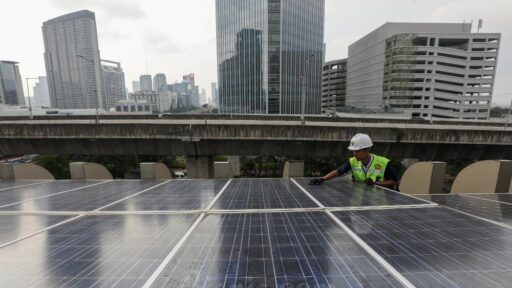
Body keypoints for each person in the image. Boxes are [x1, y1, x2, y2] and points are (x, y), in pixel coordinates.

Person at [309, 133, 398, 189]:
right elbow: (338, 172)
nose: (354, 154)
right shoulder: (353, 162)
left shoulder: (383, 163)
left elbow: (395, 181)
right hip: (359, 201)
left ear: (367, 150)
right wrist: (322, 179)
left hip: (379, 202)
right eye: (353, 151)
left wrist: (377, 183)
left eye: (357, 151)